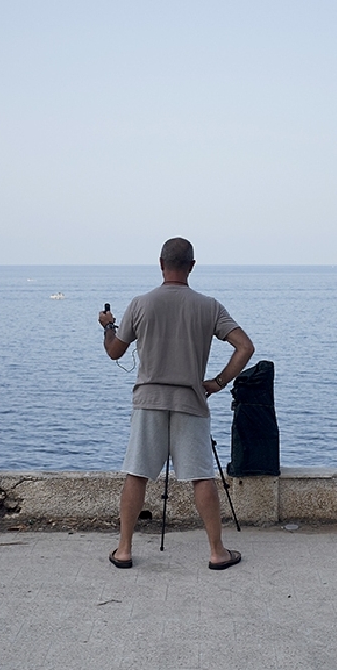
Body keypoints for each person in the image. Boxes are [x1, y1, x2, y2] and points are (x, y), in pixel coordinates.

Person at [98, 237, 255, 570]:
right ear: (192, 267)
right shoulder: (210, 306)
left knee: (137, 474)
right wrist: (218, 382)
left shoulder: (140, 304)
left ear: (160, 263)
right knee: (201, 477)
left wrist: (108, 325)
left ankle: (124, 550)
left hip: (149, 401)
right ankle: (217, 552)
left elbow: (115, 351)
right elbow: (245, 347)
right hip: (190, 401)